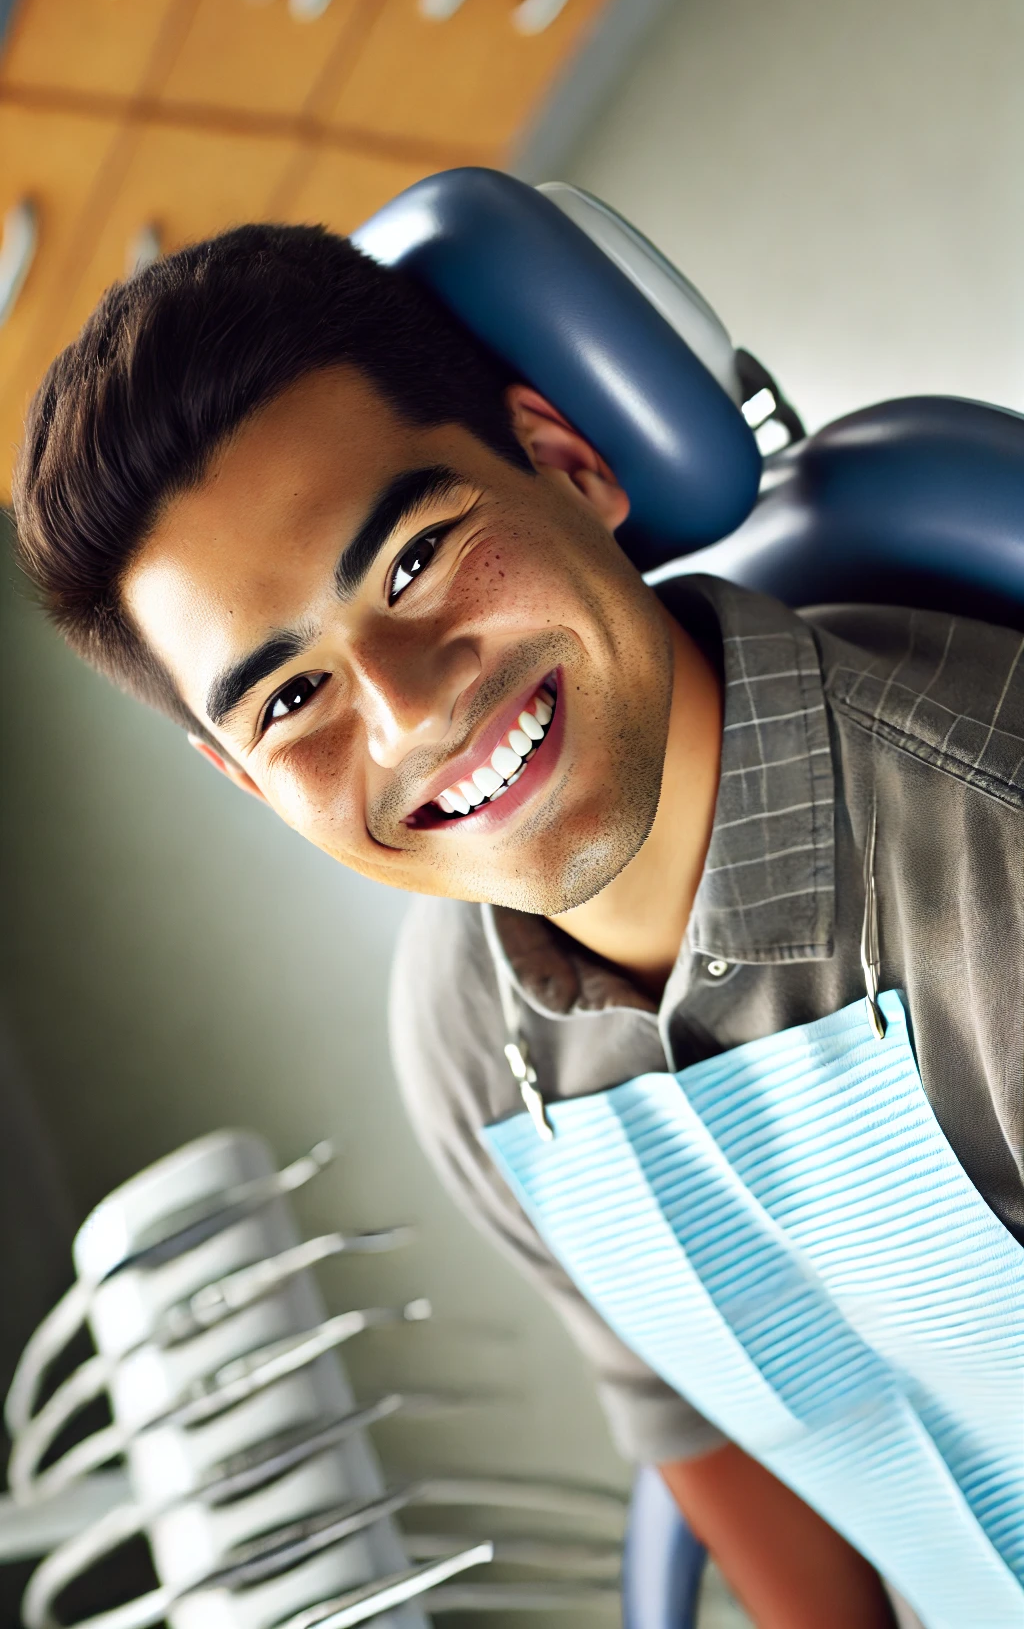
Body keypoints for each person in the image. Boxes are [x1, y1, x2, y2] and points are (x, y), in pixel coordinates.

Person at [12, 223, 1023, 1629]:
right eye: (290, 700)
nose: (409, 704)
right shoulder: (461, 1036)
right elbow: (708, 1420)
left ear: (566, 463)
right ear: (244, 781)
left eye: (417, 560)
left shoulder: (998, 870)